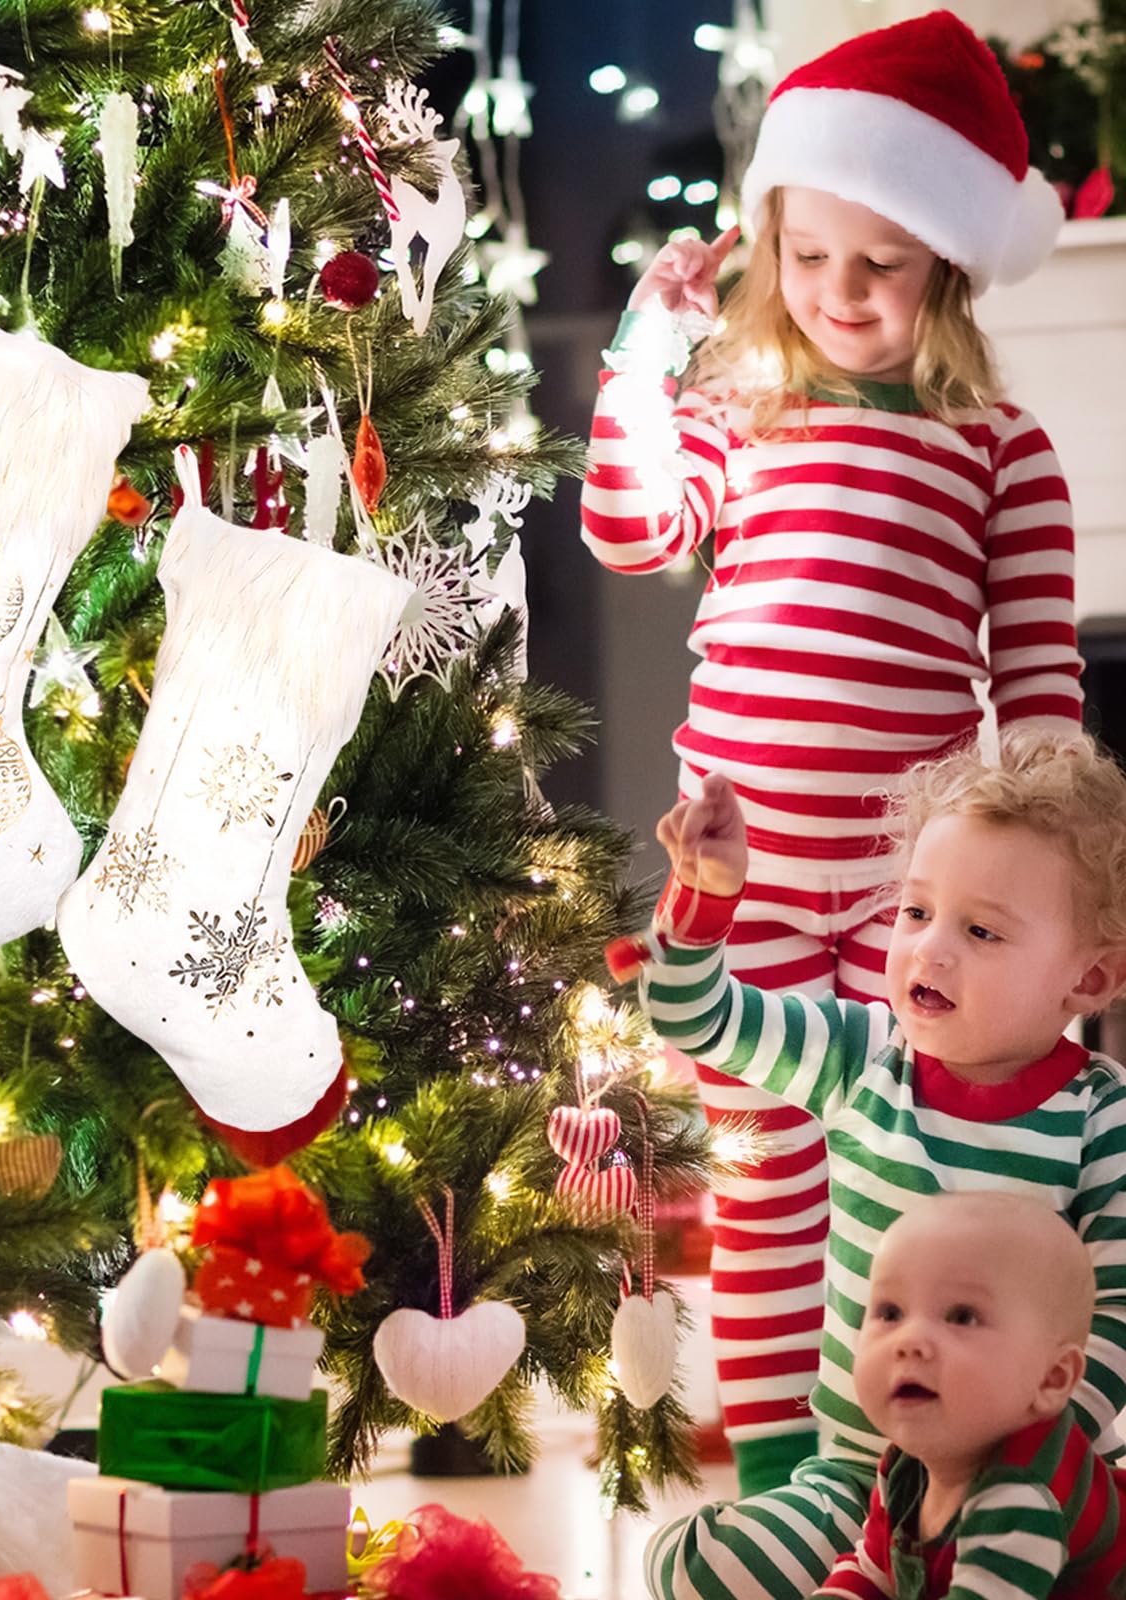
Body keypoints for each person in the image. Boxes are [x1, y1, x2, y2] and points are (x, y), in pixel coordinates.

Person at [580, 9, 1080, 1498]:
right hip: (742, 876)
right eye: (809, 258)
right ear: (766, 244)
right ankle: (791, 1479)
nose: (842, 292)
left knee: (904, 1175)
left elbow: (1042, 690)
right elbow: (629, 528)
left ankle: (910, 1464)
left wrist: (1065, 887)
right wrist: (642, 353)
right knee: (768, 1182)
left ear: (946, 264)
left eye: (882, 262)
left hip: (909, 900)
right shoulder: (744, 411)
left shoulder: (999, 445)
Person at [629, 729, 1126, 1600]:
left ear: (1087, 981)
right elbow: (695, 1017)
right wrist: (704, 903)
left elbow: (1117, 1311)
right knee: (692, 1564)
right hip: (858, 1476)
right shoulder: (861, 1058)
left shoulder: (1101, 1119)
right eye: (915, 912)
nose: (930, 950)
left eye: (980, 931)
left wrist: (1043, 1443)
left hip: (1029, 1476)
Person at [814, 1192, 1125, 1598]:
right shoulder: (907, 1466)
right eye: (890, 1313)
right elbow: (873, 1568)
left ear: (1051, 1379)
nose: (910, 1341)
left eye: (962, 1316)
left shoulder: (1024, 1495)